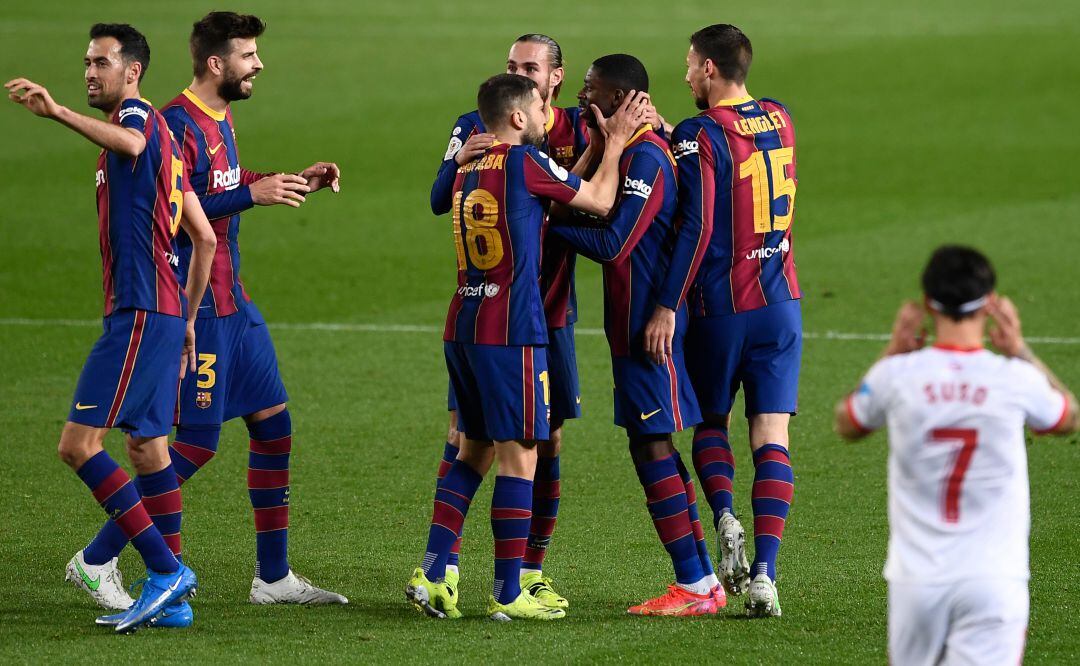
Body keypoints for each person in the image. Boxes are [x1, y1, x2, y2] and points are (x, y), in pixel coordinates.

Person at [68, 11, 346, 610]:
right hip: (195, 304)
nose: (259, 64)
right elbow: (178, 207)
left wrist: (286, 180)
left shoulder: (219, 118)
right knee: (189, 445)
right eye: (249, 55)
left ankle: (273, 578)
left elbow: (220, 179)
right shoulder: (171, 121)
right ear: (216, 63)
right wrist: (252, 194)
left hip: (235, 302)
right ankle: (99, 557)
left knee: (273, 425)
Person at [406, 73, 647, 621]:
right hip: (512, 331)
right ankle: (509, 589)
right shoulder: (525, 162)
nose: (546, 114)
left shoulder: (470, 167)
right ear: (517, 117)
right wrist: (613, 144)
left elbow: (544, 201)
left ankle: (436, 572)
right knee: (522, 456)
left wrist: (586, 154)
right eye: (539, 107)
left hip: (464, 323)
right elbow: (603, 201)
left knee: (472, 452)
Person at [6, 22, 217, 632]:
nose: (89, 71)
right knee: (149, 448)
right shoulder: (167, 145)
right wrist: (187, 323)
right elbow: (201, 237)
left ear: (133, 72)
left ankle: (164, 572)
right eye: (86, 62)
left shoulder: (141, 122)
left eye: (101, 62)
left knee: (78, 445)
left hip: (140, 309)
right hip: (163, 312)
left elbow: (127, 143)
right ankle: (173, 602)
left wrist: (57, 112)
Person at [834, 245, 1078, 665]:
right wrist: (1019, 349)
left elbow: (848, 422)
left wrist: (893, 350)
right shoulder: (1015, 379)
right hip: (994, 578)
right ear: (991, 304)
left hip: (917, 581)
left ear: (928, 303)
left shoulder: (897, 376)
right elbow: (1068, 415)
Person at [550, 54, 724, 616]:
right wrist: (604, 148)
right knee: (653, 443)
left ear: (623, 98)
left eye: (591, 89)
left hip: (648, 327)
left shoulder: (648, 156)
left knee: (650, 444)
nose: (582, 96)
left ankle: (695, 585)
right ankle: (704, 582)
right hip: (633, 324)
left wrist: (542, 221)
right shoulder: (635, 149)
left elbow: (613, 243)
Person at [427, 34, 588, 608]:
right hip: (513, 321)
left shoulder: (575, 127)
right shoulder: (483, 128)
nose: (521, 72)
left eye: (531, 67)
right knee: (504, 444)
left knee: (534, 440)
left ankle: (514, 570)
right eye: (513, 66)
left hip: (526, 315)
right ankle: (498, 582)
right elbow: (438, 196)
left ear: (556, 78)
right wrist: (459, 159)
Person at [645, 23, 799, 617]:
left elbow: (700, 223)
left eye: (689, 65)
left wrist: (665, 303)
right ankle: (765, 573)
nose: (684, 75)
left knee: (712, 420)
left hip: (721, 304)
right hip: (781, 300)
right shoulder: (781, 116)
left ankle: (725, 514)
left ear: (710, 69)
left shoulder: (700, 130)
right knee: (772, 436)